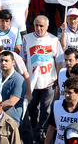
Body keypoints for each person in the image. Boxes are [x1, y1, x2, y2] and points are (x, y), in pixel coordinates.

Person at [21, 14, 63, 144]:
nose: (38, 28)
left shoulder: (54, 39)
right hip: (32, 81)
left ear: (47, 26)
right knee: (32, 108)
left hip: (48, 81)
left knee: (46, 109)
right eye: (36, 25)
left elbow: (59, 60)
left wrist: (57, 78)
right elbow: (23, 58)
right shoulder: (27, 39)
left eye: (41, 26)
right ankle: (34, 128)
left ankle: (42, 132)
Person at [0, 50, 26, 124]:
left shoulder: (18, 79)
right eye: (1, 60)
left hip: (10, 120)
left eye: (6, 61)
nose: (3, 63)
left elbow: (11, 102)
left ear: (13, 62)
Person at [46, 78, 78, 144]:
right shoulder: (56, 106)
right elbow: (51, 129)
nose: (66, 95)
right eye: (65, 92)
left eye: (70, 92)